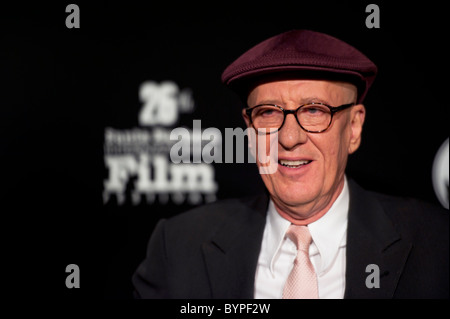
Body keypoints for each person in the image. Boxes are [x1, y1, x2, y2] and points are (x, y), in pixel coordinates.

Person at [132, 30, 449, 299]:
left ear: (353, 127)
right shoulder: (177, 247)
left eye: (314, 110)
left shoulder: (437, 245)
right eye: (269, 112)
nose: (289, 137)